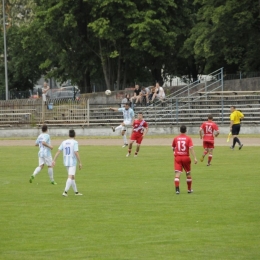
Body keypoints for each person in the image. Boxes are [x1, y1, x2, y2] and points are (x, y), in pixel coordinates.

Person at [52, 129, 83, 197]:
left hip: (66, 161)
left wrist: (54, 160)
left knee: (72, 177)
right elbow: (76, 152)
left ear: (69, 135)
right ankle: (65, 192)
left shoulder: (64, 142)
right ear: (75, 135)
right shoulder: (75, 142)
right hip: (72, 162)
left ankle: (76, 192)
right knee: (70, 176)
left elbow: (58, 151)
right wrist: (80, 162)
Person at [172, 125, 197, 194]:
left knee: (177, 173)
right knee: (188, 173)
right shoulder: (188, 138)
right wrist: (195, 157)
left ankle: (177, 190)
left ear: (180, 130)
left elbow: (173, 147)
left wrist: (175, 153)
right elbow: (191, 148)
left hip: (178, 157)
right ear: (186, 130)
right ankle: (189, 190)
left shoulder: (176, 138)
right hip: (186, 157)